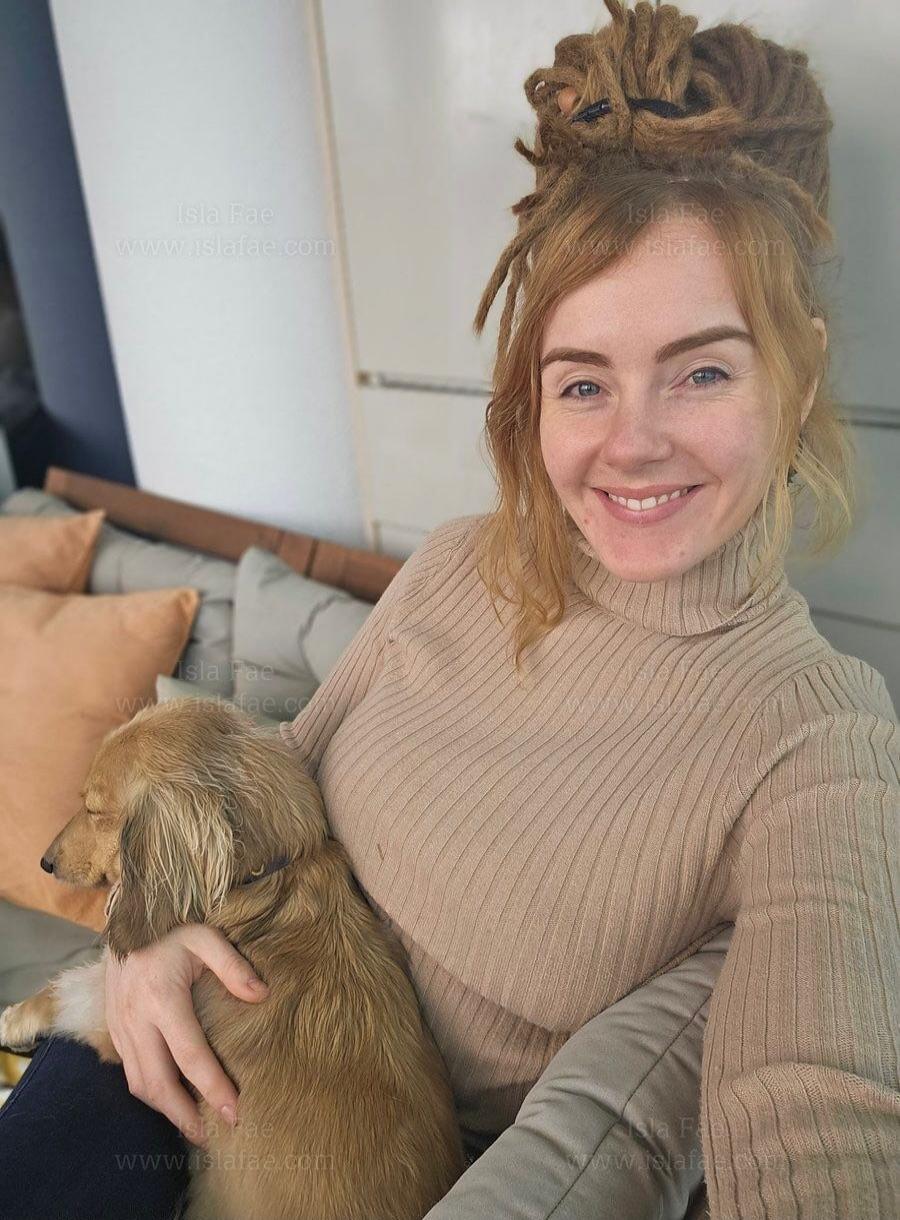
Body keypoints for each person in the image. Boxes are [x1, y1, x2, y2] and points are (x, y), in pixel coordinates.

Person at [1, 1, 897, 1217]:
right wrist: (139, 947)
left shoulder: (821, 734)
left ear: (792, 382)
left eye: (701, 369)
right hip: (163, 1063)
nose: (632, 444)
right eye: (584, 380)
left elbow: (816, 1111)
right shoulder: (458, 563)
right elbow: (272, 800)